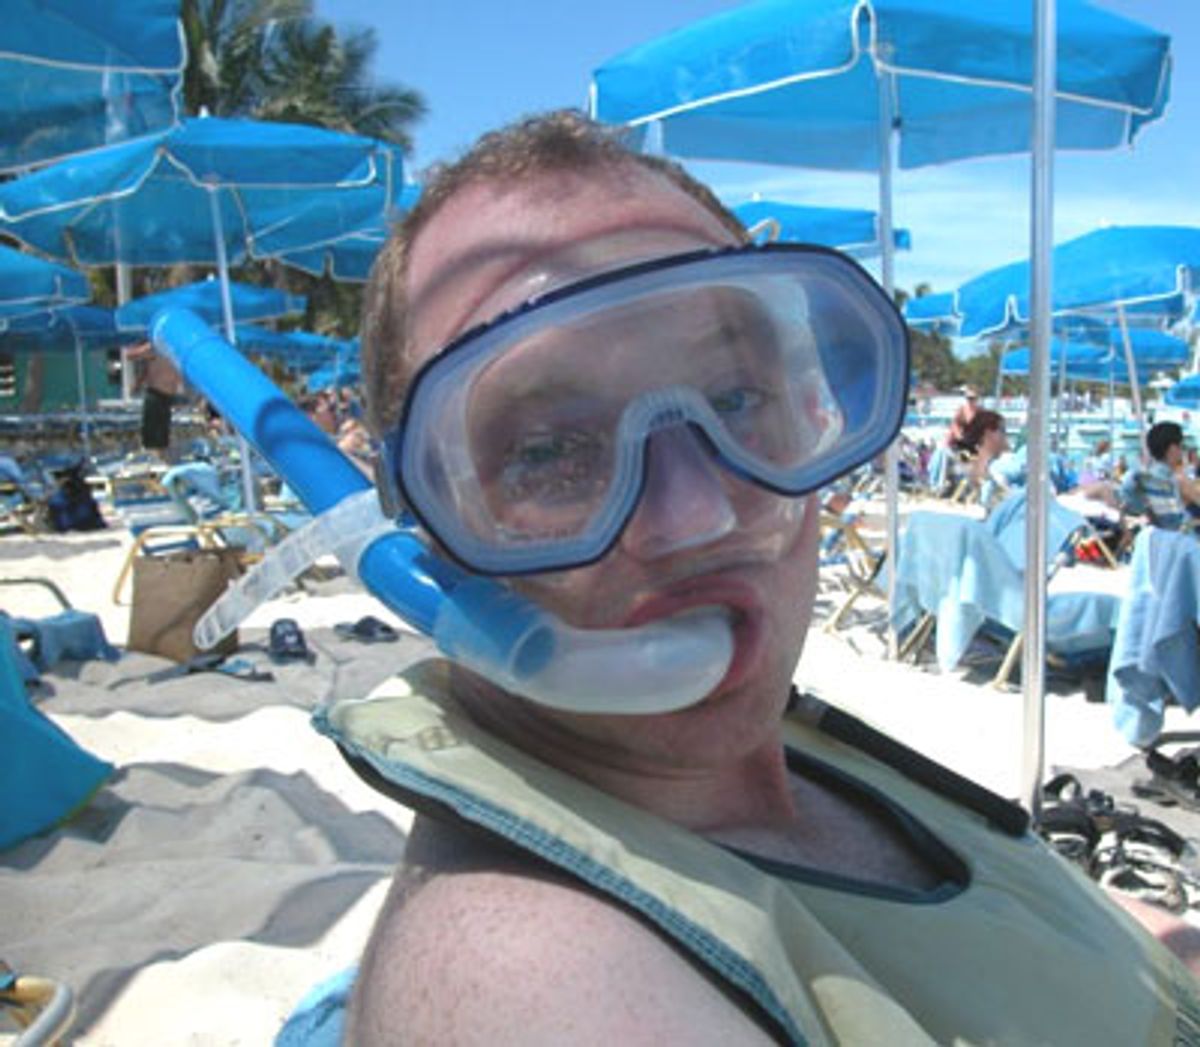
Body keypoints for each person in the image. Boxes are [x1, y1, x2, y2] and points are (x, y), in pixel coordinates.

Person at [333, 111, 1199, 1043]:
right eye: (548, 451)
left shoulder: (784, 748)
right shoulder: (526, 969)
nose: (696, 515)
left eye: (737, 396)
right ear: (426, 532)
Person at [1118, 421, 1200, 531]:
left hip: (1155, 536)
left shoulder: (1141, 478)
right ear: (1172, 448)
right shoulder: (1179, 480)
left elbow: (1125, 507)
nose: (1183, 452)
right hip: (1183, 536)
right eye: (1182, 446)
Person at [127, 340, 185, 459]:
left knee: (163, 434)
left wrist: (139, 382)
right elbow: (130, 355)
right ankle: (153, 458)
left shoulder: (178, 349)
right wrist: (146, 348)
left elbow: (146, 370)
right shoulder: (157, 348)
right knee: (153, 434)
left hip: (168, 397)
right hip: (155, 394)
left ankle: (160, 458)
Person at [945, 385, 979, 449]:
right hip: (960, 441)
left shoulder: (980, 411)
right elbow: (954, 424)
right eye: (968, 398)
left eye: (972, 398)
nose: (970, 400)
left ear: (977, 399)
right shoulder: (962, 410)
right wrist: (959, 437)